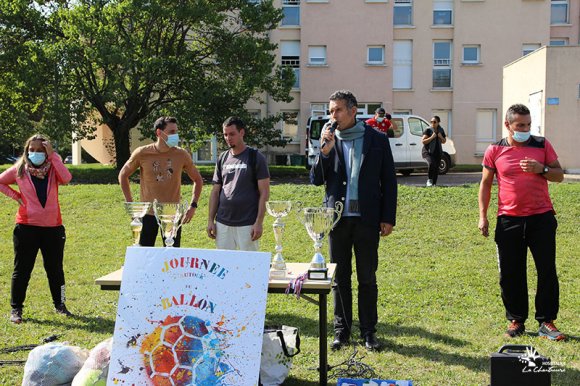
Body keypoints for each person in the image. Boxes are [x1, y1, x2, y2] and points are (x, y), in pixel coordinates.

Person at [311, 90, 397, 351]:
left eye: (337, 110)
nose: (332, 116)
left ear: (353, 110)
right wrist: (323, 152)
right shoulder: (330, 140)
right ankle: (342, 331)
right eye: (330, 110)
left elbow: (389, 182)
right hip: (336, 220)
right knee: (340, 278)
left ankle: (369, 332)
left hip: (368, 219)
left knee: (367, 278)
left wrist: (387, 217)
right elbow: (316, 179)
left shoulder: (377, 140)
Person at [478, 103, 565, 341]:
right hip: (508, 221)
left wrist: (542, 168)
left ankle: (546, 322)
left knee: (546, 270)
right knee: (510, 273)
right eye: (520, 125)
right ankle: (516, 320)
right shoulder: (494, 149)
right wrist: (483, 216)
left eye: (527, 124)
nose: (525, 129)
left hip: (541, 218)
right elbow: (485, 184)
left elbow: (559, 175)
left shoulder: (541, 144)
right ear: (508, 125)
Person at [0, 135, 73, 324]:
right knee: (22, 269)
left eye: (41, 150)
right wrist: (16, 196)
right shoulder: (20, 170)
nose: (36, 153)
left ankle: (60, 305)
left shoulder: (53, 169)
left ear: (47, 151)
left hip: (53, 228)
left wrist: (53, 156)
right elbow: (1, 181)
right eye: (32, 149)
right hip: (26, 228)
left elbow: (66, 178)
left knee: (55, 269)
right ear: (26, 150)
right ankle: (16, 309)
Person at [118, 116, 203, 247]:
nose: (176, 136)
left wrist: (193, 206)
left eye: (176, 132)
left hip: (172, 214)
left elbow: (197, 179)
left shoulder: (181, 154)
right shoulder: (142, 153)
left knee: (171, 256)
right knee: (145, 253)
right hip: (148, 213)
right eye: (172, 132)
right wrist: (131, 206)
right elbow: (123, 175)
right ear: (159, 132)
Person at [207, 116, 270, 251]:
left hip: (247, 223)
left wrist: (259, 222)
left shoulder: (255, 157)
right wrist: (210, 220)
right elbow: (215, 192)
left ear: (242, 133)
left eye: (232, 134)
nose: (228, 138)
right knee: (223, 267)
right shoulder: (223, 158)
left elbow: (264, 192)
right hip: (223, 222)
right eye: (225, 134)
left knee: (248, 267)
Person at [421, 116, 447, 186]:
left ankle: (434, 184)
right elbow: (423, 141)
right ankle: (429, 180)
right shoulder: (428, 130)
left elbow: (444, 141)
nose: (432, 123)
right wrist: (432, 137)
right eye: (431, 122)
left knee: (436, 167)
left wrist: (440, 136)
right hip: (427, 152)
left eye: (434, 122)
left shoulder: (441, 130)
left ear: (438, 122)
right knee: (431, 164)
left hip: (438, 152)